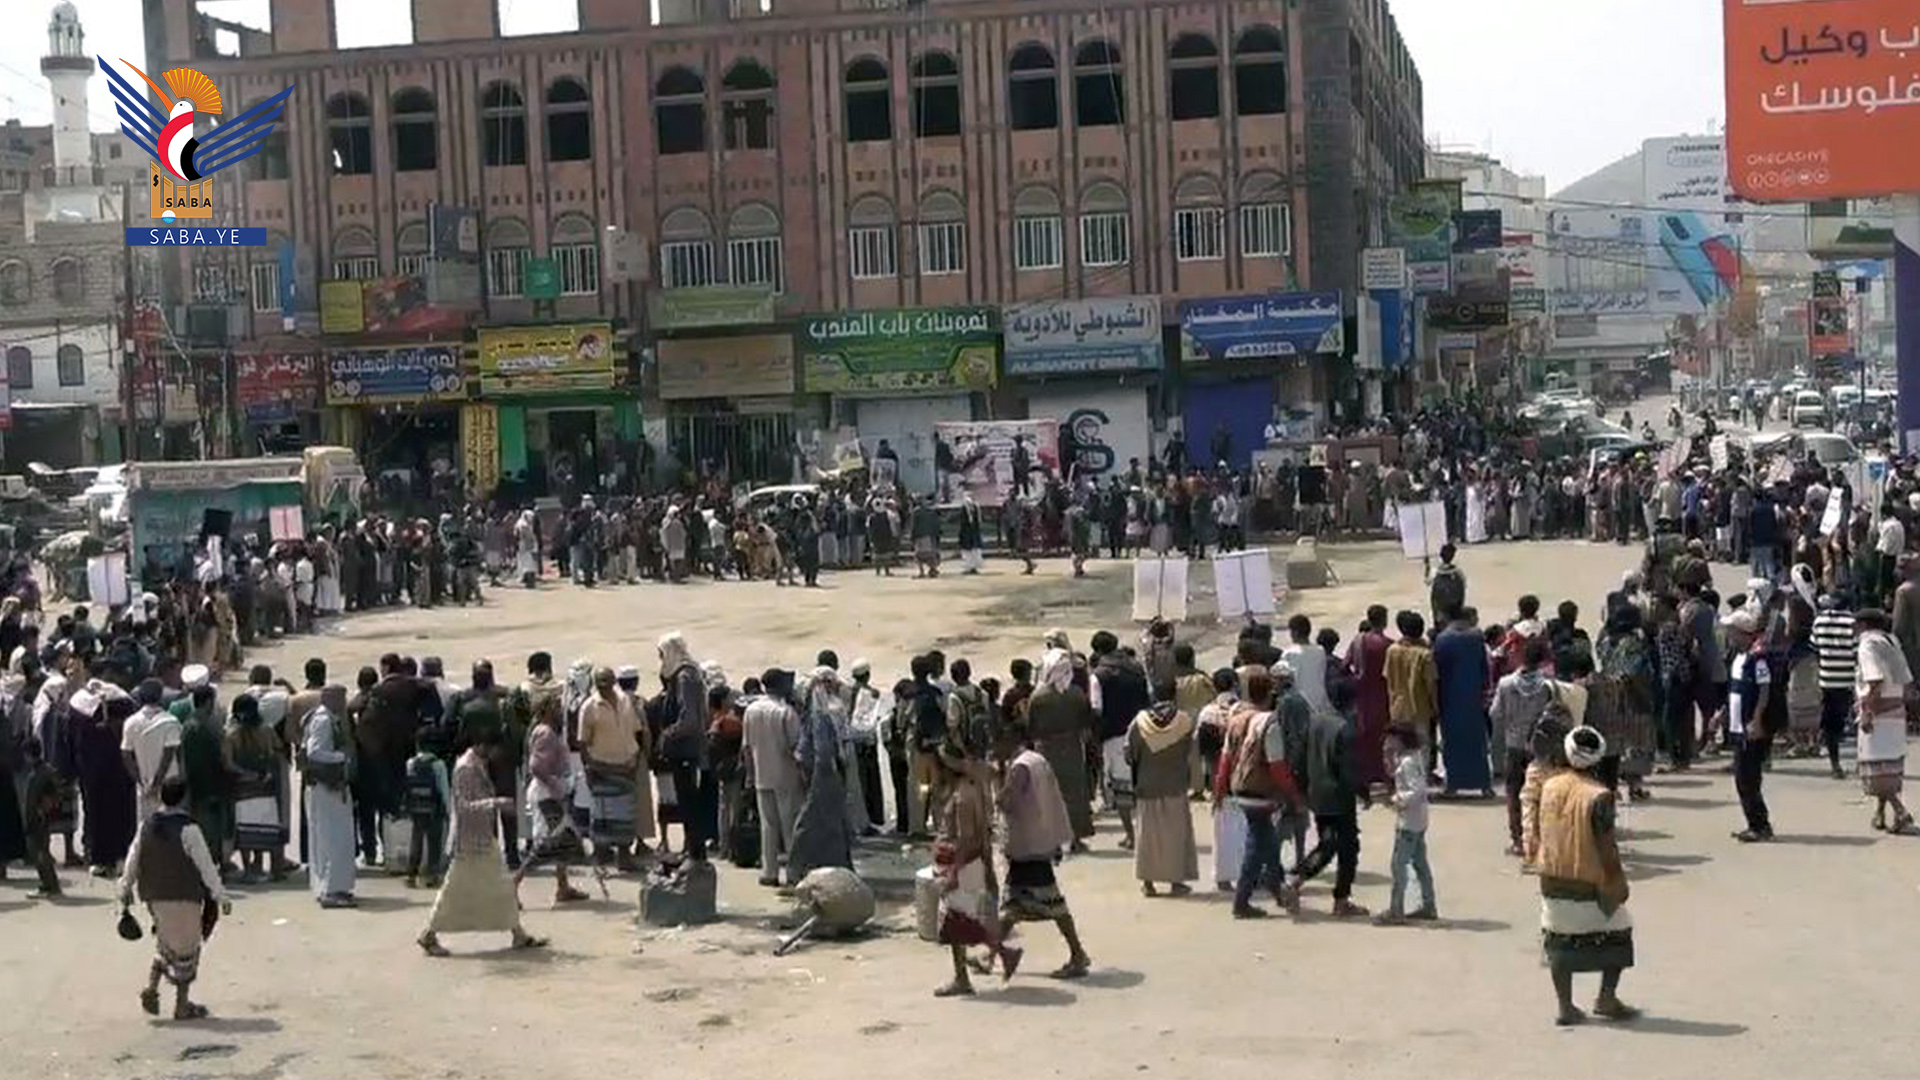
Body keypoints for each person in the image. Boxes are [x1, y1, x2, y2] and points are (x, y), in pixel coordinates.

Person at [1536, 726, 1637, 1027]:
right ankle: (1606, 998)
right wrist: (1617, 880)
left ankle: (1565, 1006)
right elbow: (1606, 845)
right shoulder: (1599, 796)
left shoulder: (1549, 786)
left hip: (1551, 875)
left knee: (1558, 938)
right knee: (1619, 930)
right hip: (1587, 879)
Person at [418, 728, 548, 956]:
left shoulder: (475, 764)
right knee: (454, 890)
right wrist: (496, 803)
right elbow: (464, 806)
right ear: (482, 745)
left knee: (500, 887)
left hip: (482, 839)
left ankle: (517, 933)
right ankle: (428, 934)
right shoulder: (466, 768)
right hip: (470, 843)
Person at [118, 777, 230, 1020]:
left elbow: (132, 859)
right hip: (185, 896)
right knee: (187, 951)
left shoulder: (147, 826)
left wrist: (124, 889)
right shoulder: (188, 829)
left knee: (166, 943)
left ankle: (152, 987)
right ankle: (182, 1004)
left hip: (155, 897)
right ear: (184, 799)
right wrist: (221, 896)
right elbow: (205, 866)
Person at [992, 726, 1091, 979]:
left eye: (998, 743)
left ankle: (1078, 954)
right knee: (1014, 905)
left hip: (1028, 845)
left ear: (1010, 740)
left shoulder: (1019, 768)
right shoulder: (1038, 761)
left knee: (1051, 904)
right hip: (1039, 840)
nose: (995, 749)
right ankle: (991, 954)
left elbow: (1008, 802)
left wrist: (997, 788)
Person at [931, 740, 1020, 997]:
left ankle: (963, 977)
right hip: (971, 862)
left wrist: (954, 872)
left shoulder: (962, 797)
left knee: (955, 923)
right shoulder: (971, 788)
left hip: (964, 864)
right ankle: (1003, 954)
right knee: (965, 921)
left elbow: (968, 838)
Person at [1287, 676, 1368, 918]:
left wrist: (1301, 790)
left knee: (1328, 843)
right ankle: (1340, 899)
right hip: (1339, 797)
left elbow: (1298, 758)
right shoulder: (1345, 728)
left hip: (1317, 794)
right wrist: (1363, 792)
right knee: (1348, 848)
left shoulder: (1314, 722)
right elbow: (1348, 770)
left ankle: (1296, 879)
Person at [1227, 667, 1302, 919]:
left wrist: (1220, 788)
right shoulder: (1270, 724)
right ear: (1270, 694)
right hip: (1260, 792)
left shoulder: (1237, 718)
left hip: (1240, 786)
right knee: (1256, 847)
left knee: (1268, 842)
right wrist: (1293, 794)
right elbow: (1277, 765)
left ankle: (1279, 892)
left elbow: (1226, 758)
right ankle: (1242, 901)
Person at [1127, 678, 1198, 897]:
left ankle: (1148, 883)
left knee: (1148, 836)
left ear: (1153, 695)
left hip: (1147, 785)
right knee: (1175, 835)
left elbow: (1129, 754)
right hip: (1175, 785)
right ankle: (1176, 882)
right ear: (1174, 694)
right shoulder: (1184, 721)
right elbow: (1192, 754)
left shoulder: (1140, 722)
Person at [578, 666, 648, 872]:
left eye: (607, 682)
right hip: (601, 770)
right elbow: (582, 743)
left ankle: (624, 859)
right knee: (602, 818)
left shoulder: (626, 701)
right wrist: (589, 768)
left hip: (626, 768)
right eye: (599, 682)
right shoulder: (589, 707)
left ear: (614, 682)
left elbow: (637, 731)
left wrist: (636, 760)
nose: (603, 686)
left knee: (626, 816)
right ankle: (601, 860)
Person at [789, 665, 855, 882]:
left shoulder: (823, 712)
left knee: (821, 821)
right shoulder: (825, 712)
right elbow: (825, 749)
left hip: (822, 772)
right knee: (821, 821)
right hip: (824, 772)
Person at [1025, 648, 1096, 850]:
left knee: (1048, 794)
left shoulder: (1038, 697)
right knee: (1075, 794)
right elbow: (1087, 725)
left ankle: (1052, 840)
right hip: (1072, 747)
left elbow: (1031, 728)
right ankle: (1075, 838)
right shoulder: (1076, 694)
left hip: (1046, 749)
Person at [1492, 639, 1556, 857]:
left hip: (1514, 745)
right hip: (1539, 747)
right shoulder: (1548, 685)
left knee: (1514, 792)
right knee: (1540, 793)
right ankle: (1539, 837)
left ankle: (1518, 840)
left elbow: (1495, 714)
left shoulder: (1506, 683)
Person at [1853, 608, 1914, 833]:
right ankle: (1879, 813)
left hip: (1878, 711)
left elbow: (1875, 680)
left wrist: (1867, 711)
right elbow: (1906, 680)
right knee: (1888, 766)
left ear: (1863, 625)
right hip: (1896, 709)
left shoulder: (1868, 645)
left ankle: (1900, 811)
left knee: (1876, 769)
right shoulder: (1891, 641)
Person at [742, 669, 802, 886]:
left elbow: (747, 748)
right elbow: (796, 747)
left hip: (762, 774)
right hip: (786, 775)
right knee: (790, 826)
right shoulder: (786, 712)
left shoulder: (751, 711)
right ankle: (794, 873)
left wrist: (750, 775)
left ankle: (769, 872)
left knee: (768, 826)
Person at [1724, 608, 1779, 843]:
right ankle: (1754, 823)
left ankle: (1760, 825)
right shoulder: (1737, 657)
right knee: (1742, 778)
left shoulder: (1758, 658)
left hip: (1751, 729)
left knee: (1747, 778)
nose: (1729, 636)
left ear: (1742, 633)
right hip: (1738, 727)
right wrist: (1721, 715)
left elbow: (1764, 691)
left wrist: (1756, 721)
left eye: (1732, 631)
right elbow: (1734, 691)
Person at [1373, 723, 1437, 925]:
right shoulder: (1413, 758)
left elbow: (1417, 790)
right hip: (1418, 821)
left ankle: (1396, 909)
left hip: (1408, 823)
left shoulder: (1408, 762)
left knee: (1398, 866)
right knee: (1420, 864)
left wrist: (1396, 800)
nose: (1388, 742)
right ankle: (1428, 904)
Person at [302, 684, 358, 908]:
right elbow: (314, 752)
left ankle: (333, 887)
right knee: (333, 838)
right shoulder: (323, 720)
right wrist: (341, 757)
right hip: (327, 787)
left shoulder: (328, 718)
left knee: (334, 837)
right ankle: (331, 890)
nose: (344, 703)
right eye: (341, 698)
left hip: (330, 788)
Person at [224, 694, 285, 883]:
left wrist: (245, 773)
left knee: (245, 829)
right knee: (265, 826)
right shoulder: (267, 730)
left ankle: (248, 870)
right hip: (266, 786)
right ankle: (265, 866)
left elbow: (228, 763)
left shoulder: (231, 734)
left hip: (243, 787)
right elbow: (278, 752)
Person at [1433, 607, 1493, 796]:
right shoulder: (1476, 637)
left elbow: (1436, 671)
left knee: (1452, 741)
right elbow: (1484, 667)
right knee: (1477, 740)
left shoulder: (1442, 639)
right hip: (1472, 696)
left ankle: (1453, 785)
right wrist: (1485, 691)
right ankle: (1484, 785)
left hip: (1449, 696)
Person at [120, 679, 181, 821]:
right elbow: (169, 754)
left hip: (144, 785)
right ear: (160, 696)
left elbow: (126, 755)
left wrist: (140, 781)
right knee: (170, 823)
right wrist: (157, 783)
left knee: (147, 824)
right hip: (169, 787)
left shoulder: (131, 722)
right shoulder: (170, 722)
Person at [1812, 595, 1858, 781]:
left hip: (1826, 679)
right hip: (1848, 680)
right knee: (1853, 722)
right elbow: (1856, 651)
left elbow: (1814, 648)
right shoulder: (1852, 622)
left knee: (1831, 724)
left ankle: (1835, 764)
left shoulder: (1820, 621)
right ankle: (1861, 764)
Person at [401, 730, 451, 889]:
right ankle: (432, 875)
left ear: (418, 744)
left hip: (417, 808)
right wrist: (448, 810)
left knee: (416, 840)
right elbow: (444, 789)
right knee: (434, 842)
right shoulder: (438, 764)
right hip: (434, 809)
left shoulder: (410, 763)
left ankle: (411, 874)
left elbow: (407, 785)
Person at [1429, 544, 1467, 627]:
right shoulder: (1458, 571)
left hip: (1440, 604)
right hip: (1456, 603)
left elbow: (1428, 582)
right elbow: (1464, 584)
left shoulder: (1435, 571)